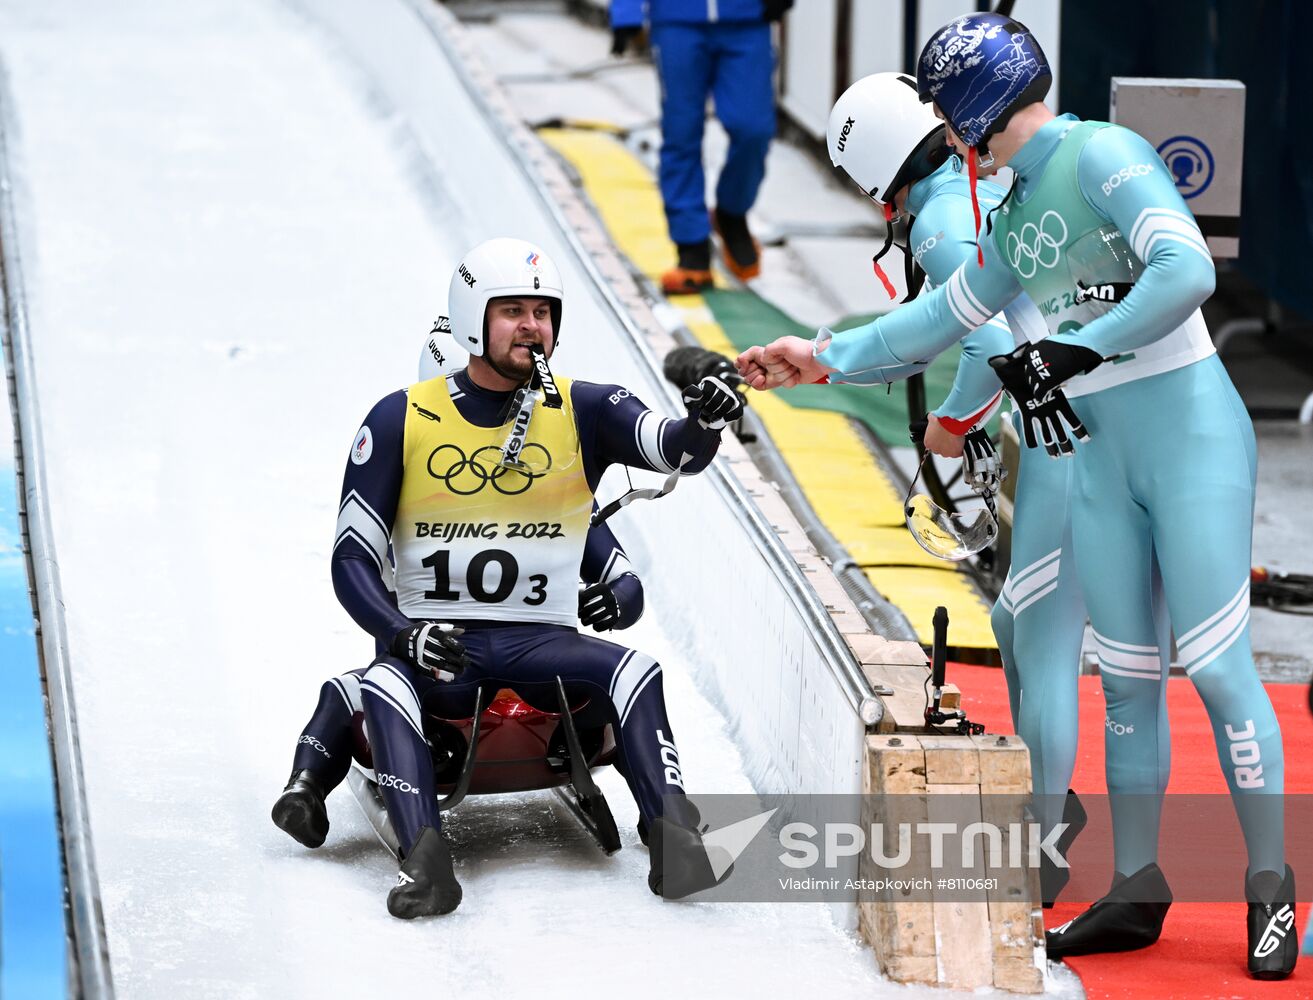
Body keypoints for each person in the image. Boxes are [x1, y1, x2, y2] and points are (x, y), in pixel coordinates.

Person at [739, 12, 1295, 979]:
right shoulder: (1010, 213)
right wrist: (820, 358)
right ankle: (1135, 884)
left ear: (972, 114)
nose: (954, 142)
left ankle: (1270, 886)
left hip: (1190, 443)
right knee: (1124, 681)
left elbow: (1187, 268)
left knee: (1213, 669)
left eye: (952, 119)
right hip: (1100, 462)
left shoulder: (1099, 153)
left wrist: (1078, 346)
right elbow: (935, 320)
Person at [819, 71, 1170, 906]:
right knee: (1016, 618)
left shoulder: (941, 217)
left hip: (1065, 432)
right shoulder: (965, 190)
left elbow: (982, 341)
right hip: (1085, 420)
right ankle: (1049, 807)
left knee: (1041, 632)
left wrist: (949, 424)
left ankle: (1040, 835)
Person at [322, 237, 743, 918]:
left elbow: (673, 450)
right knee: (385, 683)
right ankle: (427, 867)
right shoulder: (397, 417)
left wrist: (704, 423)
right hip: (443, 648)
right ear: (472, 319)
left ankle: (675, 840)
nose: (532, 326)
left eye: (543, 312)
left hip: (541, 642)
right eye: (512, 311)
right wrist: (402, 634)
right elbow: (351, 559)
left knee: (636, 669)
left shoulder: (588, 407)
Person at [272, 319, 647, 853]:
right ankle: (306, 788)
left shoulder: (552, 482)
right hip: (459, 695)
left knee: (349, 690)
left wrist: (617, 598)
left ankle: (308, 783)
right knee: (358, 690)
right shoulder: (413, 470)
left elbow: (622, 578)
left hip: (504, 688)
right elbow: (354, 562)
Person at [609, 0, 793, 293]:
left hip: (746, 18)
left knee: (754, 130)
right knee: (680, 133)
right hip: (676, 19)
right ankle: (691, 248)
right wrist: (625, 12)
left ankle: (731, 212)